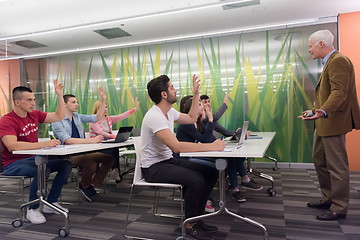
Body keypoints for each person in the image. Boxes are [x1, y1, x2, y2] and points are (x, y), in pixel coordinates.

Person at [140, 74, 224, 240]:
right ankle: (189, 224)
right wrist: (211, 146)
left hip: (168, 161)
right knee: (196, 180)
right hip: (153, 168)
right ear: (164, 94)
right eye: (172, 87)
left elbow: (192, 117)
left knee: (211, 172)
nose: (175, 90)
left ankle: (198, 218)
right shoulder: (154, 116)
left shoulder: (169, 112)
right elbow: (176, 146)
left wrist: (196, 92)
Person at [299, 29, 360, 221]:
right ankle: (328, 198)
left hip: (333, 122)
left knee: (337, 166)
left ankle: (339, 207)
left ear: (321, 45)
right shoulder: (329, 63)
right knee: (320, 161)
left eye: (310, 46)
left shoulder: (338, 60)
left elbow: (339, 93)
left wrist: (323, 111)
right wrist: (315, 110)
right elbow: (327, 94)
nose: (309, 50)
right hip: (324, 121)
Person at [0, 80, 72, 224]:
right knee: (42, 169)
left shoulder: (34, 114)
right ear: (17, 102)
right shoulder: (7, 120)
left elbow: (58, 116)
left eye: (34, 99)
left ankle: (51, 202)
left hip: (33, 158)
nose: (33, 103)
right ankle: (32, 209)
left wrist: (59, 95)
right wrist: (44, 144)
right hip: (11, 163)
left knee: (65, 164)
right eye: (29, 100)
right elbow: (12, 146)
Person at [177, 96, 261, 207]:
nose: (204, 106)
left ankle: (218, 192)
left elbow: (208, 139)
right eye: (200, 104)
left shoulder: (197, 123)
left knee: (225, 161)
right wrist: (211, 119)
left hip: (194, 154)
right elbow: (206, 140)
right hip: (185, 158)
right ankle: (202, 197)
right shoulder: (187, 124)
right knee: (215, 167)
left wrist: (217, 141)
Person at [51, 88, 114, 202]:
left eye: (77, 102)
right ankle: (85, 185)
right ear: (65, 105)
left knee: (109, 159)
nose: (77, 104)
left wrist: (103, 100)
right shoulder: (57, 120)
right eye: (73, 102)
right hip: (68, 154)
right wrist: (92, 140)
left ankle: (92, 184)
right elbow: (68, 140)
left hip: (83, 150)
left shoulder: (77, 117)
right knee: (91, 164)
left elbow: (97, 118)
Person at [199, 94, 263, 201]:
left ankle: (239, 185)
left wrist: (240, 133)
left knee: (234, 157)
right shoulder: (201, 118)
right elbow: (215, 117)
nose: (208, 104)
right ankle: (241, 183)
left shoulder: (212, 120)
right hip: (205, 151)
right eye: (204, 102)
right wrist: (224, 103)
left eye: (208, 101)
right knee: (231, 159)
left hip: (213, 147)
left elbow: (225, 132)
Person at [89, 97, 140, 188]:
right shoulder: (93, 121)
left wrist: (134, 109)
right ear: (97, 109)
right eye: (102, 107)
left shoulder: (109, 119)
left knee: (114, 150)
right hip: (96, 148)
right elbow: (102, 133)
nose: (105, 109)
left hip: (107, 146)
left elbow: (121, 116)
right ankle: (117, 176)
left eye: (106, 107)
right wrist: (115, 137)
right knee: (113, 151)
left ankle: (116, 174)